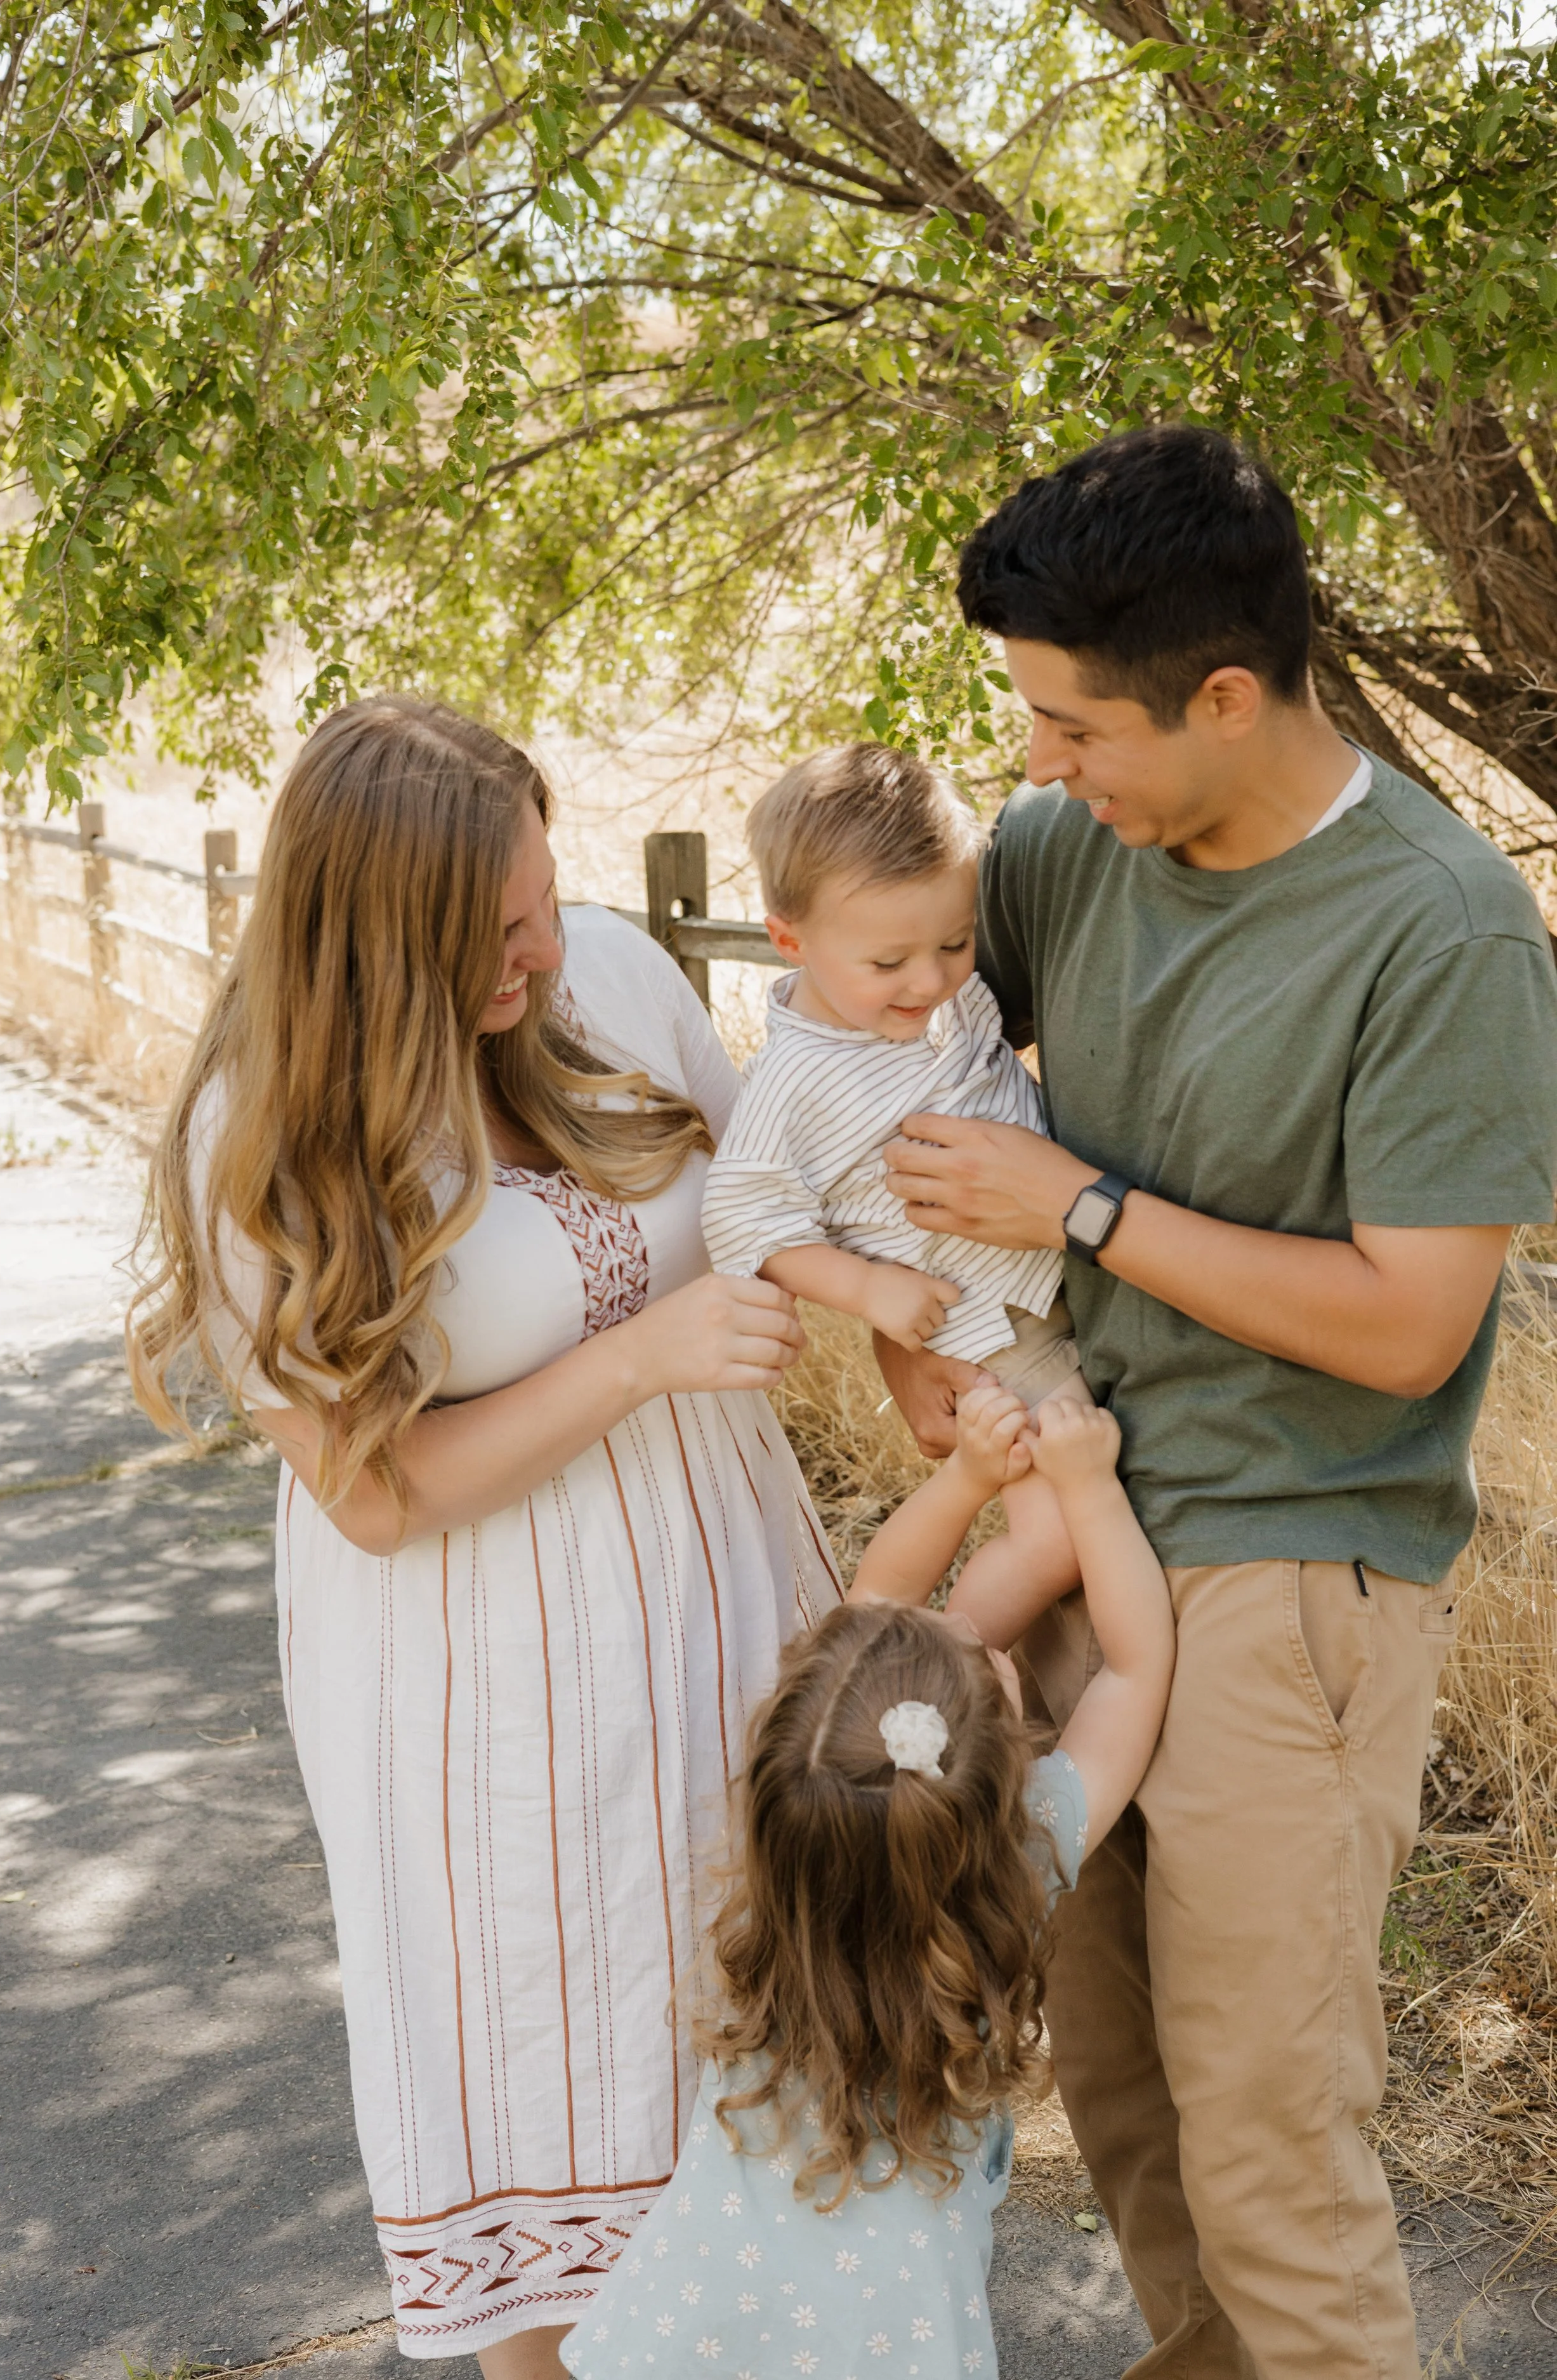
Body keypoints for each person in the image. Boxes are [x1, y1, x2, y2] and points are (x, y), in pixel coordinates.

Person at [874, 425, 1557, 2380]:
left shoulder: (1436, 927)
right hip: (1060, 1531)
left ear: (1229, 695)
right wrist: (899, 1328)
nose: (1032, 763)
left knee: (1270, 2134)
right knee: (1124, 2107)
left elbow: (1408, 1324)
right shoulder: (1056, 854)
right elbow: (885, 1082)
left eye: (1070, 724)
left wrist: (1083, 1206)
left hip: (1290, 1564)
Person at [128, 696, 843, 2374]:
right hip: (484, 1689)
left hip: (729, 1602)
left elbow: (766, 1202)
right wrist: (640, 1356)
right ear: (378, 940)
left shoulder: (604, 967)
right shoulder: (260, 1134)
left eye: (541, 894)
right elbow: (371, 1496)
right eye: (496, 931)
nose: (545, 944)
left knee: (767, 2089)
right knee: (556, 2108)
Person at [560, 1387, 1175, 2380]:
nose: (974, 1627)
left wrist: (967, 1476)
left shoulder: (784, 1864)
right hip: (897, 2333)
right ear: (997, 1764)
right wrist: (1093, 1492)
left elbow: (871, 1608)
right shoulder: (1020, 1860)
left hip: (710, 2326)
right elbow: (1134, 1673)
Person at [702, 743, 1092, 1650]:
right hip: (993, 1332)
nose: (930, 980)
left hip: (1062, 1282)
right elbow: (740, 1219)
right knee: (1061, 1534)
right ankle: (927, 1659)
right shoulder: (793, 1080)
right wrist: (871, 1293)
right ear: (790, 939)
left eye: (955, 943)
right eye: (890, 962)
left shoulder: (926, 996)